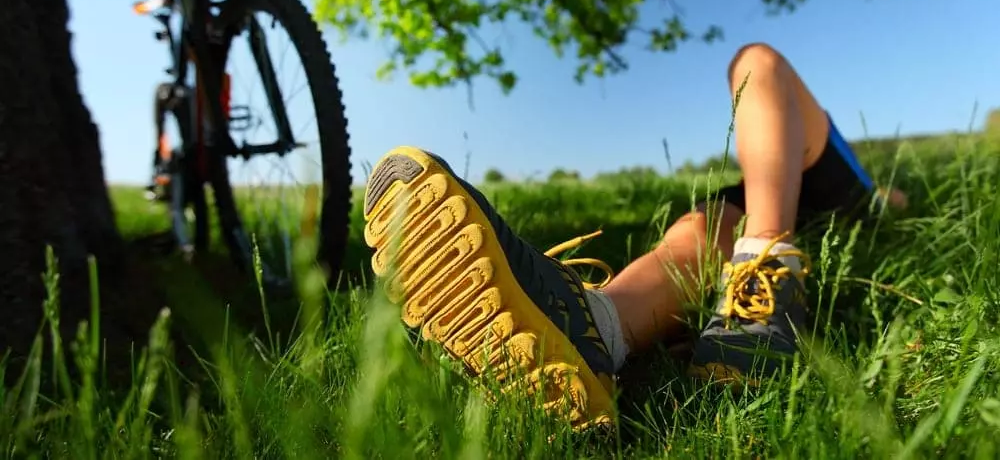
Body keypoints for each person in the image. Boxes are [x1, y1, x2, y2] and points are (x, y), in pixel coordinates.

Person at [361, 42, 906, 430]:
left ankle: (765, 274)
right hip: (753, 199)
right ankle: (595, 329)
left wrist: (884, 201)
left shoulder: (842, 168)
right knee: (694, 233)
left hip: (830, 193)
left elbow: (766, 74)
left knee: (755, 62)